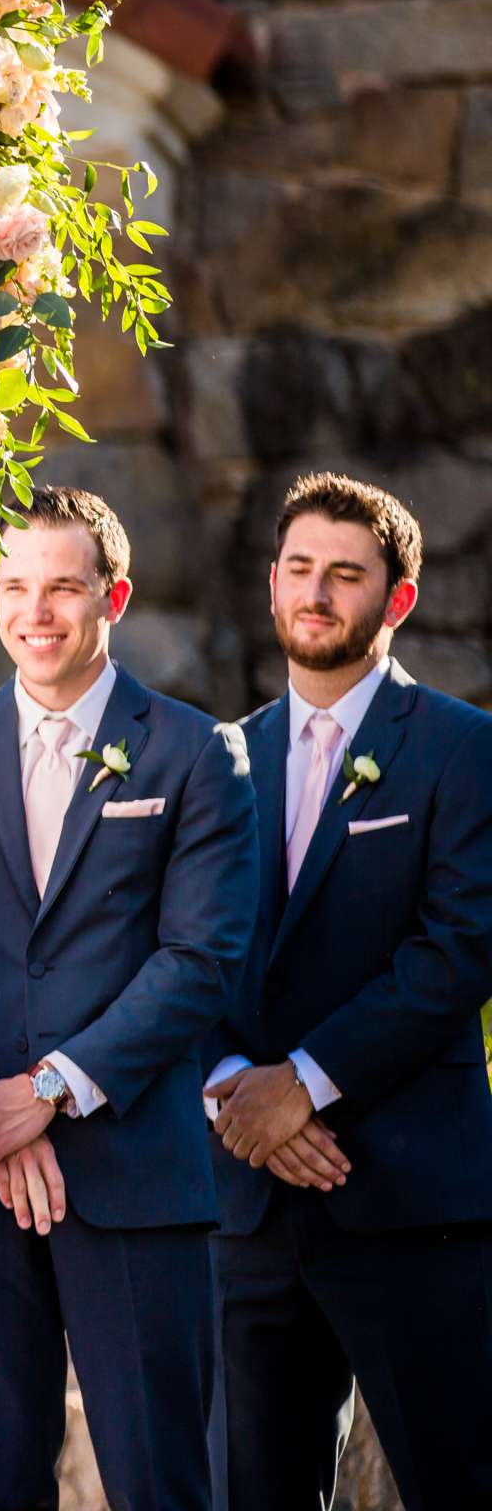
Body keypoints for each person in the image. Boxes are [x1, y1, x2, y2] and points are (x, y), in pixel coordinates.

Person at [0, 487, 258, 1511]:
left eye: (62, 589)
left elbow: (199, 960)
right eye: (14, 586)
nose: (34, 613)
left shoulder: (193, 752)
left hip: (133, 1175)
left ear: (113, 596)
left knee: (158, 1480)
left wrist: (47, 1089)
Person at [205, 473, 492, 1508]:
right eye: (299, 570)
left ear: (397, 599)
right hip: (249, 1210)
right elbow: (186, 960)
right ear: (272, 584)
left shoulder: (464, 747)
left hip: (412, 1203)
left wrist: (309, 1081)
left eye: (345, 574)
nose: (317, 593)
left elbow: (458, 949)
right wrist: (242, 1088)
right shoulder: (224, 759)